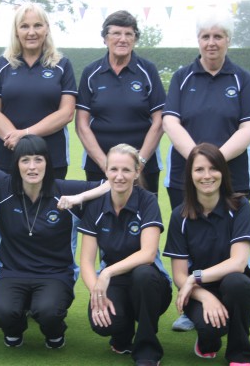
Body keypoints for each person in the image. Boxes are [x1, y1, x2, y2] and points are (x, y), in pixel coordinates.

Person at [0, 135, 109, 349]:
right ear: (16, 164)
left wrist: (80, 198)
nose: (32, 167)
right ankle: (14, 329)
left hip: (55, 273)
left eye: (39, 160)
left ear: (48, 162)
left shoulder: (65, 190)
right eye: (25, 160)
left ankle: (54, 332)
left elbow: (113, 182)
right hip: (11, 272)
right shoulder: (3, 187)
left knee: (48, 312)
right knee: (0, 312)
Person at [162, 9, 250, 332]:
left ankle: (237, 295)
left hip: (232, 175)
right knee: (191, 240)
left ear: (228, 40)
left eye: (218, 36)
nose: (211, 42)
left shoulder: (241, 78)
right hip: (184, 174)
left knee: (226, 239)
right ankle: (193, 303)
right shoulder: (182, 76)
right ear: (198, 41)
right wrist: (197, 160)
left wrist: (212, 161)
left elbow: (248, 126)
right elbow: (170, 121)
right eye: (206, 36)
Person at [163, 143, 250, 366]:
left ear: (223, 171)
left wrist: (195, 276)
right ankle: (207, 341)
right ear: (190, 175)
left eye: (213, 168)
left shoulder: (240, 206)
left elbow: (238, 263)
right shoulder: (179, 216)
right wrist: (204, 295)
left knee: (236, 283)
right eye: (199, 169)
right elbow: (180, 276)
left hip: (239, 287)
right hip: (199, 292)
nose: (207, 176)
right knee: (212, 328)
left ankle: (240, 355)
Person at [78, 144, 172, 366]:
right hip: (116, 283)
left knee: (143, 275)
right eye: (114, 170)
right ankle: (122, 334)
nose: (119, 176)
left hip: (151, 285)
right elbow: (86, 262)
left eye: (126, 170)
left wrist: (107, 272)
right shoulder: (96, 206)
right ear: (106, 171)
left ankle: (148, 349)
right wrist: (96, 294)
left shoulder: (147, 200)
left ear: (137, 172)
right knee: (103, 323)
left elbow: (148, 254)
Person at [76, 10, 166, 195]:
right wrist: (105, 164)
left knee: (143, 220)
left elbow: (159, 122)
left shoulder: (148, 70)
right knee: (101, 220)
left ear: (135, 38)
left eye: (129, 34)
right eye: (116, 33)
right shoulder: (91, 72)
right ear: (105, 38)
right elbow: (81, 124)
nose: (123, 39)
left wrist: (139, 162)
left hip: (143, 168)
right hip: (98, 167)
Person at [0, 3, 77, 179]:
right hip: (8, 158)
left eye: (38, 25)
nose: (31, 32)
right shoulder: (0, 65)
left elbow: (66, 113)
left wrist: (25, 135)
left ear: (47, 29)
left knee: (49, 207)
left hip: (51, 159)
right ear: (16, 31)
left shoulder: (62, 65)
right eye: (25, 26)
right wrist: (17, 142)